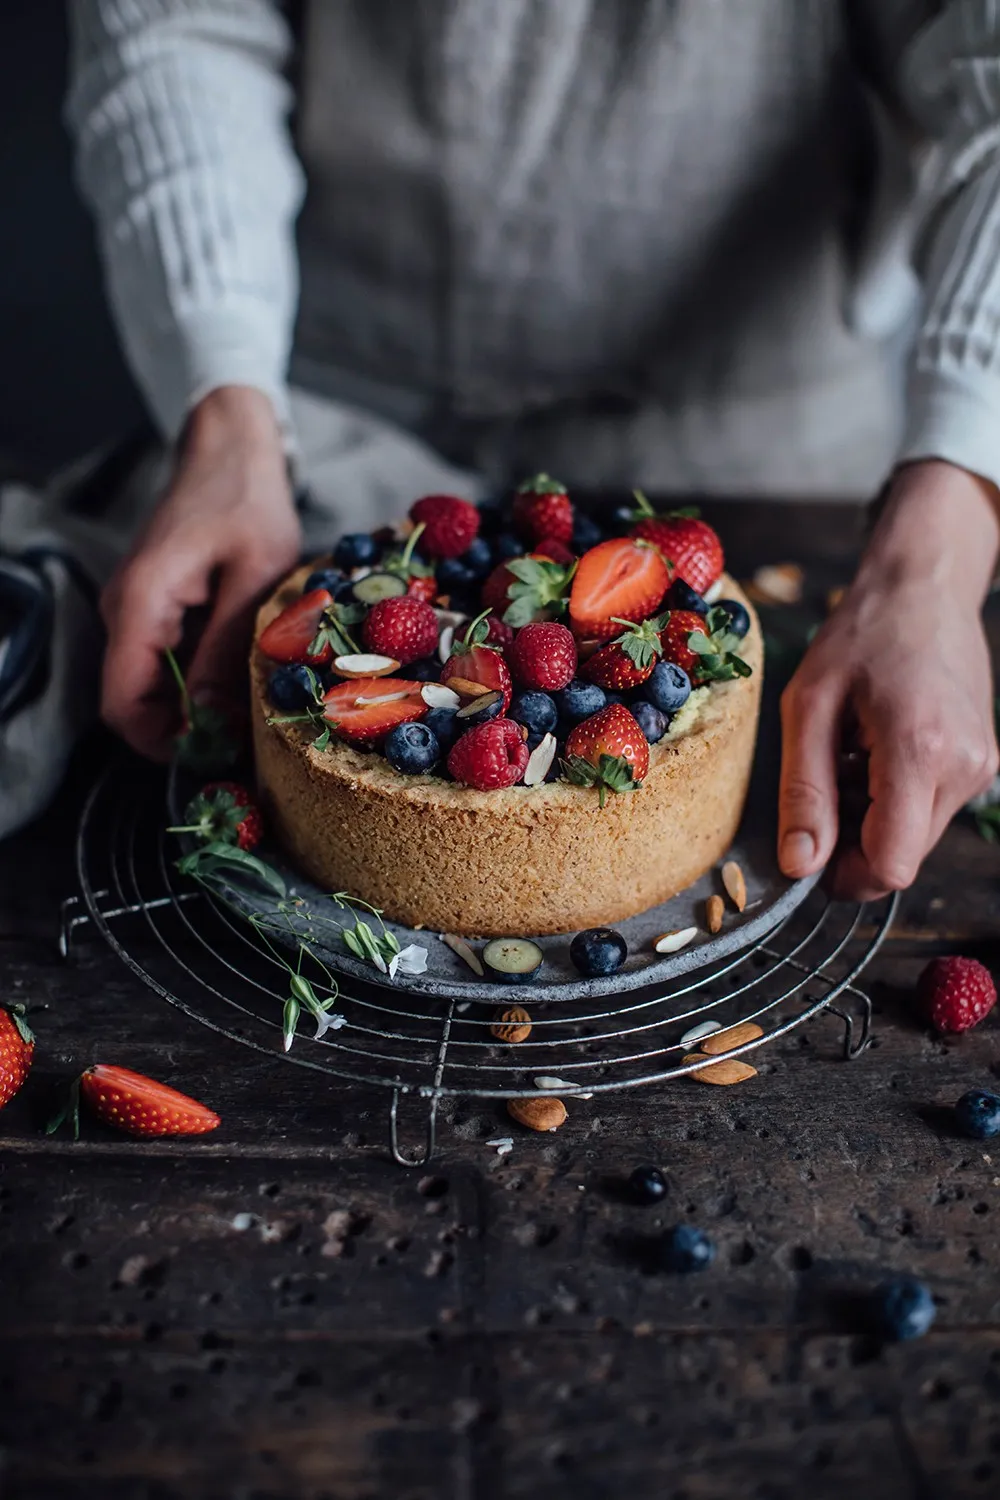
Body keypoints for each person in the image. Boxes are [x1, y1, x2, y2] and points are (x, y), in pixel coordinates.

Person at [66, 0, 1000, 901]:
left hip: (760, 416)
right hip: (331, 404)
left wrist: (936, 549)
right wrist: (226, 409)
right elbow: (178, 22)